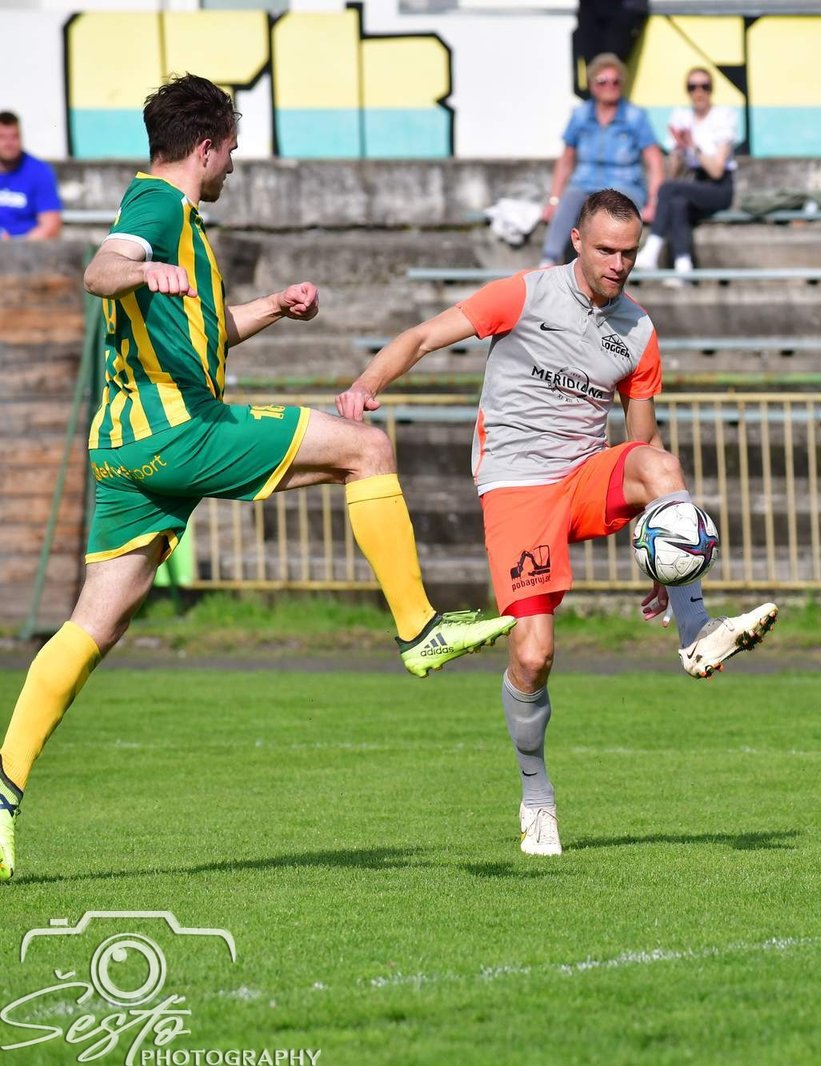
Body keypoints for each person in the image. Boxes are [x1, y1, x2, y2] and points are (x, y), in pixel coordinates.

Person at [0, 75, 515, 882]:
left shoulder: (176, 223)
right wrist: (139, 271)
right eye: (232, 150)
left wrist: (273, 304)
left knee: (93, 626)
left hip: (128, 453)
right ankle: (419, 629)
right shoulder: (157, 209)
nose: (234, 165)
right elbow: (101, 269)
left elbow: (203, 335)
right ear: (205, 148)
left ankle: (2, 794)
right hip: (182, 432)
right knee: (366, 450)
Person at [337, 189, 779, 858]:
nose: (618, 264)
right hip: (517, 486)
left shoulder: (638, 331)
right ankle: (536, 794)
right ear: (576, 241)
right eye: (606, 250)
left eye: (629, 253)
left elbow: (642, 444)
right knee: (533, 654)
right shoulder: (524, 294)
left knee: (664, 466)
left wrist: (664, 552)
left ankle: (696, 630)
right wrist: (367, 385)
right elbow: (422, 336)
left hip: (582, 478)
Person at [539, 54, 662, 269]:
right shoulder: (580, 115)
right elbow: (566, 160)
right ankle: (547, 262)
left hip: (624, 183)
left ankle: (611, 265)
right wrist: (553, 200)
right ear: (591, 85)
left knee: (612, 205)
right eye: (602, 81)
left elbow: (654, 160)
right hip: (584, 182)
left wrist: (653, 202)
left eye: (615, 82)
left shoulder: (635, 116)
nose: (609, 86)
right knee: (569, 201)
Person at [636, 67, 737, 275]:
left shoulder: (723, 116)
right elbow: (674, 174)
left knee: (668, 189)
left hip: (719, 188)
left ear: (711, 89)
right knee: (677, 203)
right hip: (695, 183)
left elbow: (717, 171)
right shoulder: (682, 117)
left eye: (704, 86)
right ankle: (683, 266)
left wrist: (693, 146)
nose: (698, 92)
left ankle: (652, 250)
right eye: (693, 87)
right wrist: (679, 149)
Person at [0, 111, 62, 240]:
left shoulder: (40, 171)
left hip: (27, 247)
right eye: (3, 137)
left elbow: (51, 225)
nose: (9, 143)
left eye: (14, 137)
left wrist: (15, 245)